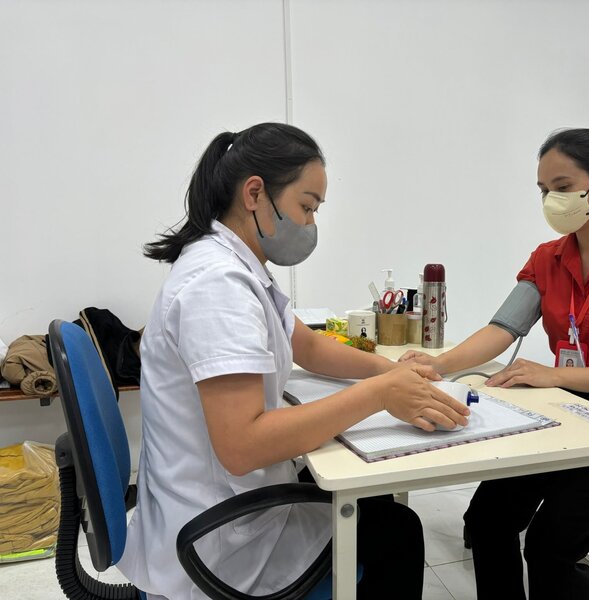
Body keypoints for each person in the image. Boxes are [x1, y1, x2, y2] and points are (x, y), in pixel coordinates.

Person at [117, 122, 469, 600]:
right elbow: (241, 445)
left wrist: (393, 373)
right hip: (220, 537)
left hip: (215, 504)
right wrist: (380, 395)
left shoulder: (235, 266)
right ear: (255, 194)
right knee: (397, 533)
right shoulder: (216, 286)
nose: (310, 224)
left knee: (374, 500)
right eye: (306, 207)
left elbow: (308, 346)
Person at [400, 128, 589, 599]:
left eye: (561, 186)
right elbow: (502, 329)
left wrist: (554, 375)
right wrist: (438, 363)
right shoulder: (549, 258)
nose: (551, 200)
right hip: (563, 410)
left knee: (550, 548)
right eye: (543, 190)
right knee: (489, 521)